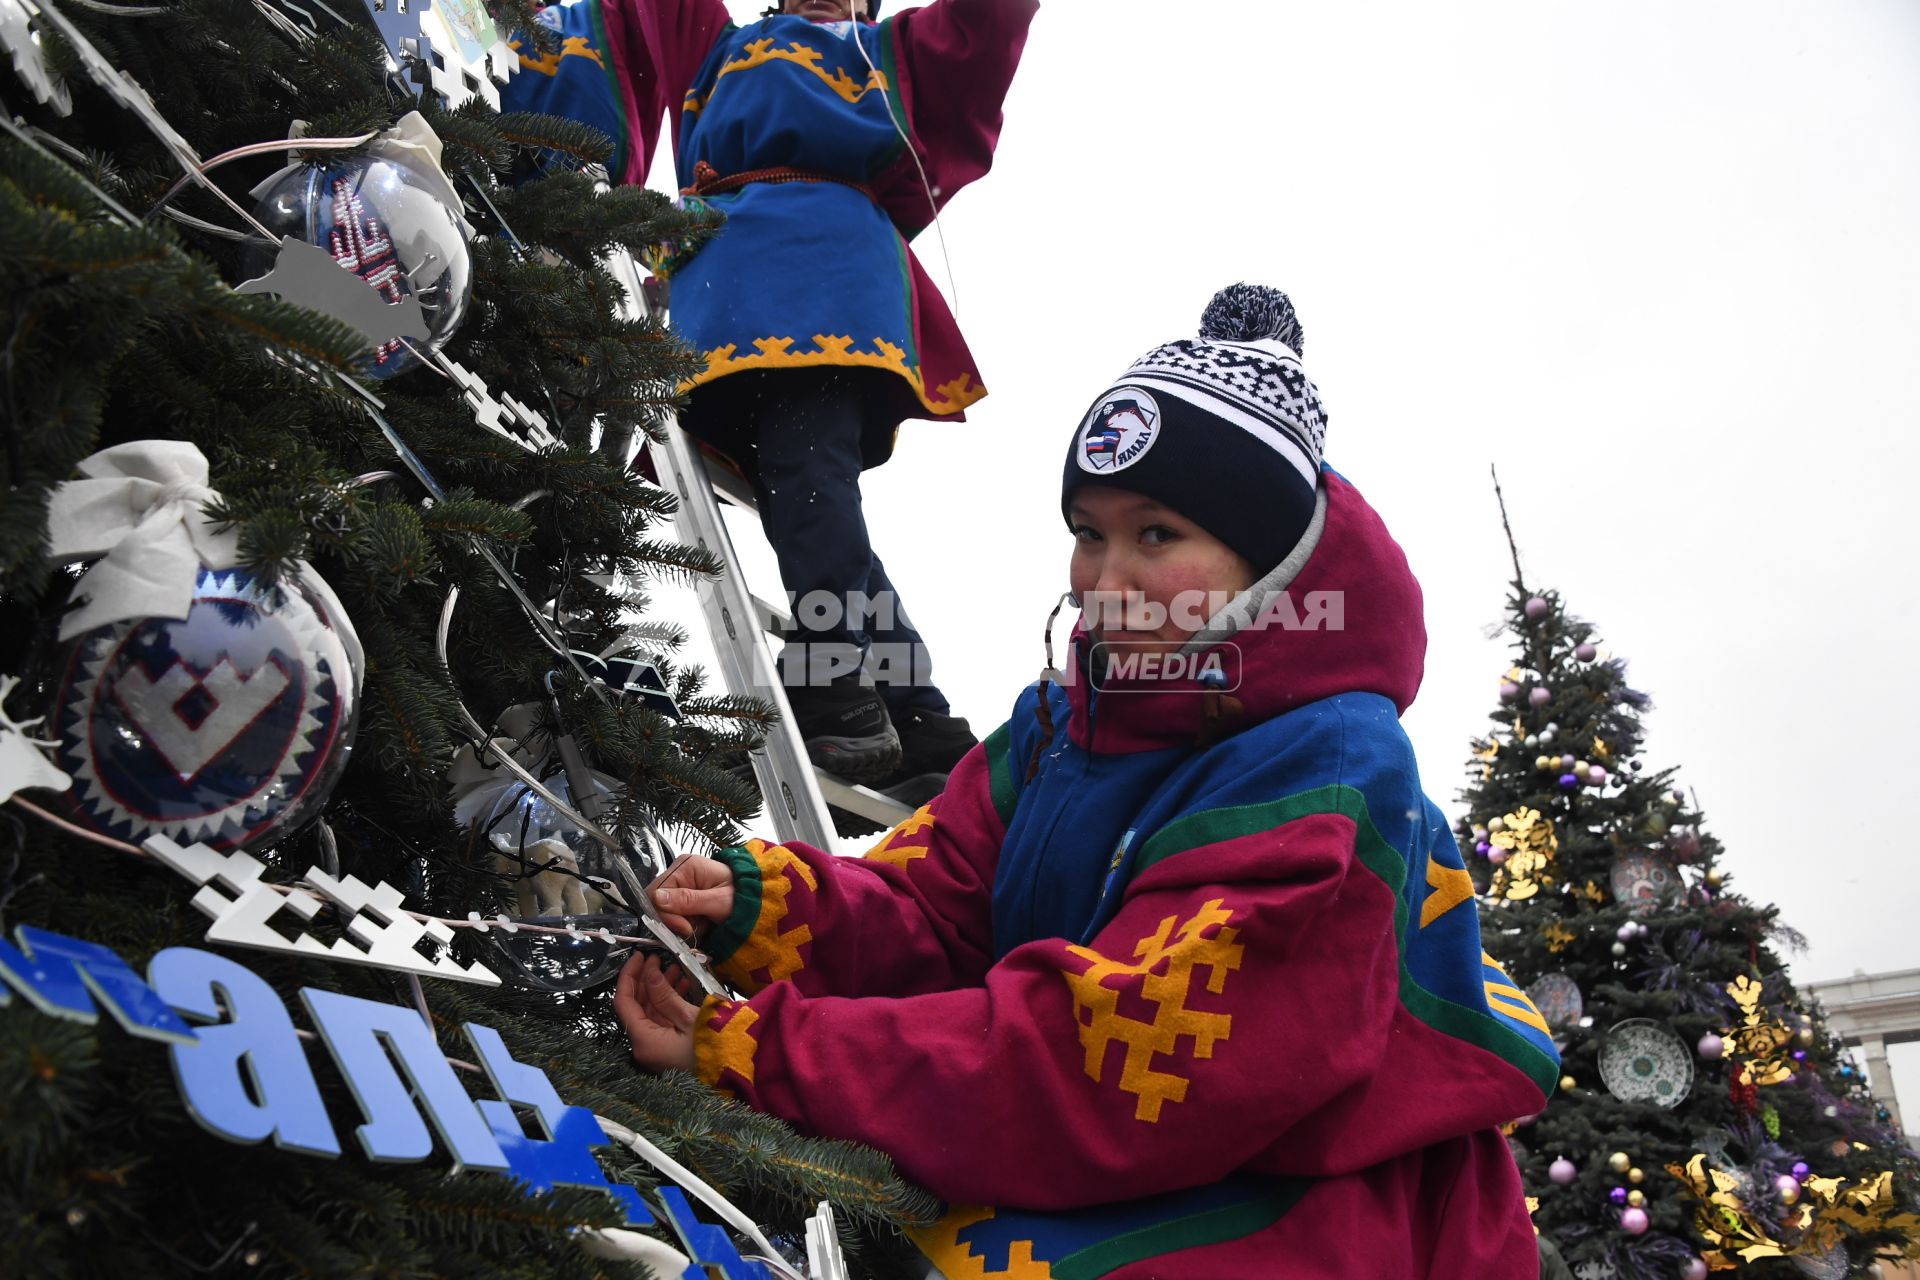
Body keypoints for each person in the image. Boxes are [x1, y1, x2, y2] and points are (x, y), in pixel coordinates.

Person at [612, 284, 1561, 1278]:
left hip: (1316, 1201)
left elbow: (1117, 1063)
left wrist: (771, 1054)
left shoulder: (1328, 767)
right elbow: (936, 902)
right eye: (1089, 529)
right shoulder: (1065, 724)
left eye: (1156, 534)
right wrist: (776, 906)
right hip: (1117, 1148)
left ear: (1269, 562)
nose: (1104, 578)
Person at [502, 0, 1038, 800]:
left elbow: (984, 24)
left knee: (809, 475)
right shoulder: (721, 44)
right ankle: (922, 723)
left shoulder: (886, 49)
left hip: (820, 273)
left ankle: (831, 684)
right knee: (806, 499)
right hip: (723, 291)